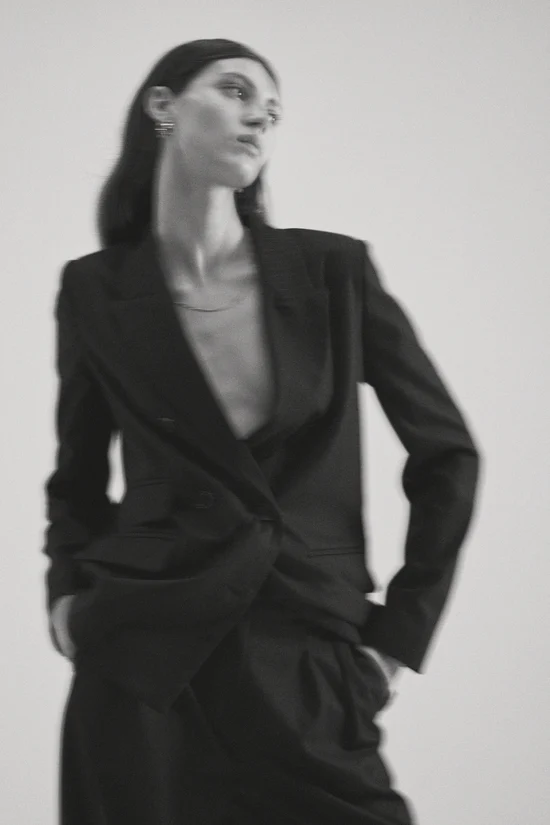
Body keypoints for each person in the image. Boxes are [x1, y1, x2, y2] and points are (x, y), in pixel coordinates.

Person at [42, 38, 481, 825]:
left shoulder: (332, 272)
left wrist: (397, 637)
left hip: (304, 651)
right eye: (236, 91)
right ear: (164, 105)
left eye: (272, 111)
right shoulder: (95, 290)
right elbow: (76, 474)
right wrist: (67, 599)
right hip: (141, 659)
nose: (259, 118)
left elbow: (447, 453)